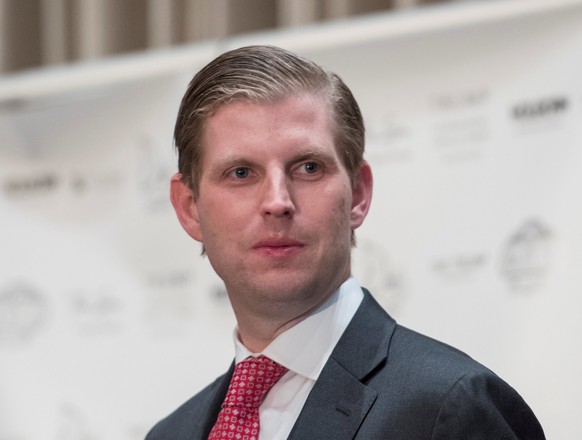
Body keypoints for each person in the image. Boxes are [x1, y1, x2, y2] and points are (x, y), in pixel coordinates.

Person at [146, 45, 545, 439]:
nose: (277, 202)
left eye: (308, 167)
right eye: (240, 173)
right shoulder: (171, 433)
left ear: (358, 194)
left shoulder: (451, 408)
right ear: (189, 208)